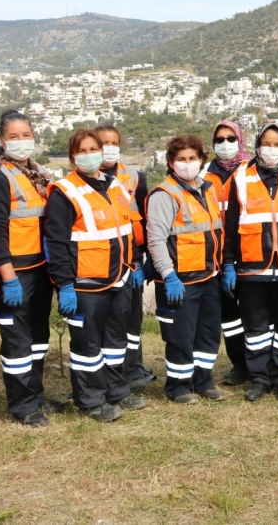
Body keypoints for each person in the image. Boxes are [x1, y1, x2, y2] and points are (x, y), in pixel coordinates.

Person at [44, 129, 146, 421]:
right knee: (88, 347)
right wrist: (64, 285)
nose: (89, 155)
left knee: (116, 342)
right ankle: (90, 400)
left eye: (94, 149)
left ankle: (117, 390)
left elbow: (126, 230)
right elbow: (57, 243)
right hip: (85, 285)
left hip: (118, 279)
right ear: (73, 156)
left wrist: (135, 263)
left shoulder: (114, 187)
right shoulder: (65, 192)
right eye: (83, 150)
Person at [0, 111, 60, 427]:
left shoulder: (38, 175)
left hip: (40, 268)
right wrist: (7, 277)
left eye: (26, 135)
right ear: (1, 140)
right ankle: (22, 405)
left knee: (38, 336)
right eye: (14, 136)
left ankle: (36, 395)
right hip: (14, 272)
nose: (21, 141)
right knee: (17, 341)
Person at [222, 122, 278, 402]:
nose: (271, 149)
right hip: (251, 267)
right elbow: (231, 225)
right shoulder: (241, 178)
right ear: (257, 146)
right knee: (255, 326)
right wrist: (230, 263)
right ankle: (259, 377)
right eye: (266, 144)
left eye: (276, 144)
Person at [146, 134, 226, 404]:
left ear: (202, 160)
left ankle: (203, 380)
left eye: (193, 158)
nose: (188, 163)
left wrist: (223, 268)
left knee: (208, 333)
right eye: (181, 159)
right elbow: (155, 240)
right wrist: (168, 276)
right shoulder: (164, 194)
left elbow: (215, 231)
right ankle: (178, 386)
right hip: (180, 280)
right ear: (171, 163)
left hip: (208, 276)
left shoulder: (208, 189)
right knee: (181, 336)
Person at [95, 124, 154, 392]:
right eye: (102, 142)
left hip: (133, 258)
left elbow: (145, 219)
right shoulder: (82, 178)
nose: (109, 148)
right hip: (101, 261)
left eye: (114, 142)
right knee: (109, 319)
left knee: (133, 319)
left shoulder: (135, 176)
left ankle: (133, 369)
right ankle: (110, 371)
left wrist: (143, 259)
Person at [202, 120, 251, 385]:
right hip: (216, 257)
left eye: (231, 138)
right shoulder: (203, 175)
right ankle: (239, 365)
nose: (225, 144)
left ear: (240, 140)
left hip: (251, 252)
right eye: (219, 139)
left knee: (256, 314)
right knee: (230, 317)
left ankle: (260, 363)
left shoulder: (251, 170)